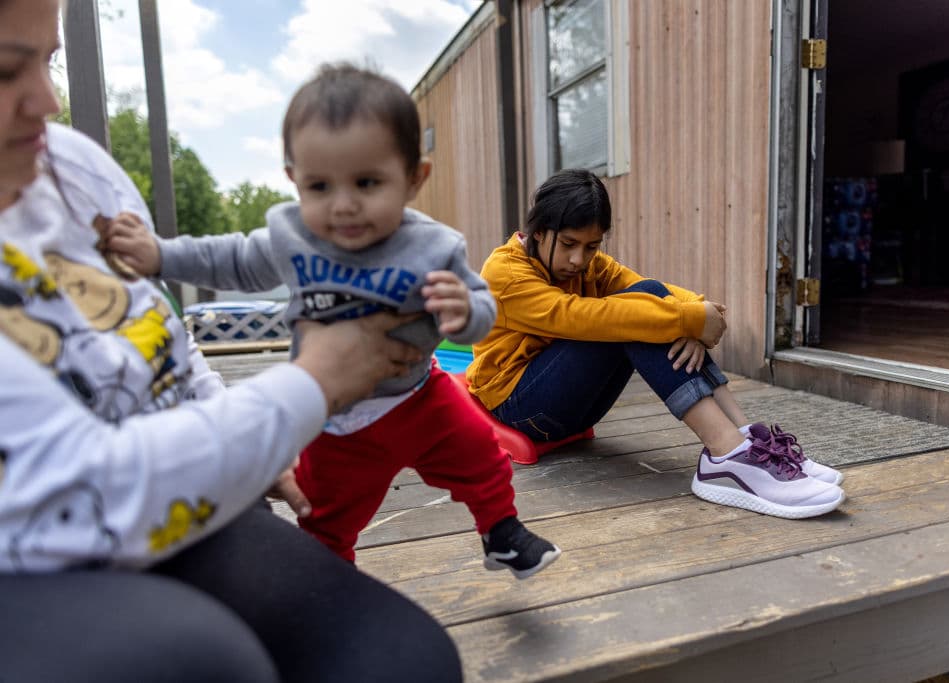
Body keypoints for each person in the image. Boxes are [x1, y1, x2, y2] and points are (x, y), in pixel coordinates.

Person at [0, 1, 463, 680]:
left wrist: (246, 443)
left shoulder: (69, 164)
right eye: (11, 69)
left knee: (403, 658)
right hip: (41, 537)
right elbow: (80, 489)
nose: (49, 99)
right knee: (206, 662)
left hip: (172, 495)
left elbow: (154, 333)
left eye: (50, 60)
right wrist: (313, 384)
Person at [106, 63, 560, 579]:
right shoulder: (292, 235)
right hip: (335, 417)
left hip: (418, 396)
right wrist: (160, 255)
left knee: (482, 454)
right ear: (294, 181)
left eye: (367, 183)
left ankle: (501, 532)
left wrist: (464, 313)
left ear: (415, 178)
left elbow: (482, 312)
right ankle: (331, 580)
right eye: (320, 186)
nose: (344, 206)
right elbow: (227, 258)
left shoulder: (432, 246)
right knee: (323, 513)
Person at [467, 168, 846, 519]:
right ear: (538, 231)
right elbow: (576, 317)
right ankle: (725, 454)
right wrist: (689, 319)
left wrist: (696, 311)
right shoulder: (506, 274)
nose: (578, 259)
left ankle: (749, 440)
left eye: (591, 246)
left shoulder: (589, 265)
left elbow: (652, 289)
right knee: (631, 316)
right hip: (519, 408)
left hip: (571, 409)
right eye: (568, 244)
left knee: (645, 300)